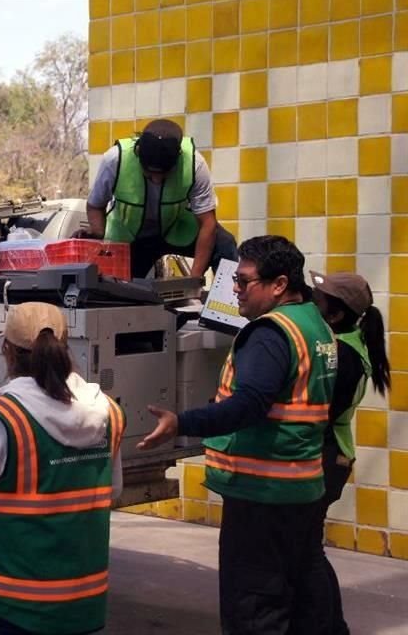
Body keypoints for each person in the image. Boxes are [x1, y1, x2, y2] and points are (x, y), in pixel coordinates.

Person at [138, 235, 338, 634]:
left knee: (254, 608)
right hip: (301, 489)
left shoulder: (270, 334)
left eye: (244, 282)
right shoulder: (313, 324)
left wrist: (182, 423)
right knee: (308, 602)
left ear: (279, 284)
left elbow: (248, 405)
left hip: (261, 495)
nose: (234, 289)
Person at [0, 302, 125, 635]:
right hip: (83, 600)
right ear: (66, 348)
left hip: (15, 602)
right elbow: (114, 490)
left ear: (6, 350)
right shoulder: (107, 412)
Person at [310, 270, 392, 635]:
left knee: (307, 551)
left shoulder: (342, 355)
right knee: (305, 548)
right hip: (330, 454)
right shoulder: (343, 343)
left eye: (320, 298)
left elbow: (318, 413)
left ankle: (332, 628)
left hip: (327, 457)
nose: (312, 301)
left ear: (336, 314)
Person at [78, 118, 237, 279]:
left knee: (224, 243)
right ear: (138, 153)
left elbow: (207, 224)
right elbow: (95, 206)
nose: (156, 180)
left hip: (176, 230)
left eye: (164, 174)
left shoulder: (195, 164)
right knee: (121, 291)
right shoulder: (114, 160)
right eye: (149, 174)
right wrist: (98, 233)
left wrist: (193, 279)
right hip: (132, 239)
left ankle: (227, 302)